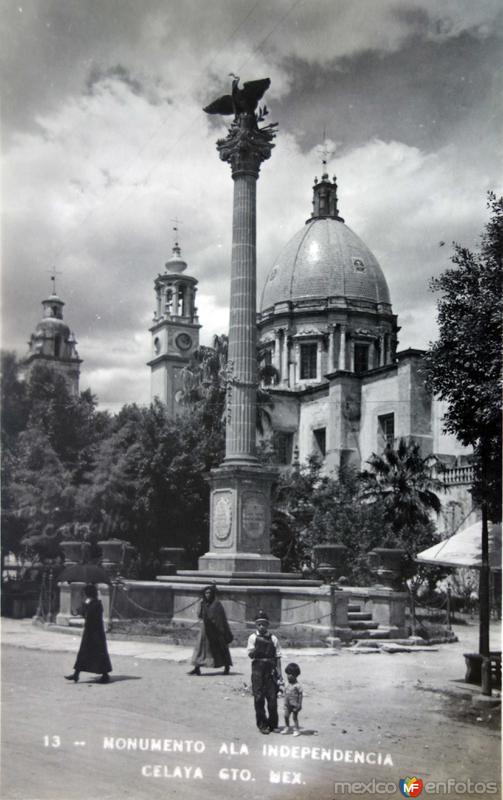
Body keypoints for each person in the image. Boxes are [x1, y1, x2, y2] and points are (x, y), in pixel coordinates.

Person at [65, 583, 112, 684]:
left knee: (98, 654)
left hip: (95, 633)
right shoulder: (91, 602)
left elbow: (89, 615)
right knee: (84, 653)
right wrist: (79, 610)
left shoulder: (96, 603)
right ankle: (76, 674)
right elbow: (84, 613)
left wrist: (85, 606)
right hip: (90, 631)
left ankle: (105, 675)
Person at [247, 610, 282, 734]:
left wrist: (280, 675)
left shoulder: (273, 638)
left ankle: (273, 724)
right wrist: (257, 649)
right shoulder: (252, 638)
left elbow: (278, 657)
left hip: (270, 670)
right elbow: (250, 655)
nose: (261, 627)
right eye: (259, 624)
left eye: (264, 624)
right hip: (257, 670)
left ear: (267, 625)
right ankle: (262, 724)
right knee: (259, 698)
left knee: (272, 699)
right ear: (256, 625)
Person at [188, 584, 233, 675]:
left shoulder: (217, 604)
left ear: (212, 594)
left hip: (216, 629)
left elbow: (221, 618)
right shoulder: (203, 603)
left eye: (209, 593)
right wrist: (200, 606)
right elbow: (200, 616)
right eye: (206, 593)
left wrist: (220, 629)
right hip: (205, 629)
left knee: (220, 648)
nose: (207, 594)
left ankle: (226, 666)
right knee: (200, 648)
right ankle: (197, 667)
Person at [281, 662, 303, 736]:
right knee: (286, 716)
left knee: (294, 717)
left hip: (295, 705)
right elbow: (284, 690)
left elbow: (300, 695)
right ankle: (287, 727)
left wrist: (299, 704)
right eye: (287, 674)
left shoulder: (297, 685)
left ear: (295, 675)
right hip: (287, 704)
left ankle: (297, 729)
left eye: (289, 674)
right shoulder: (286, 683)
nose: (288, 676)